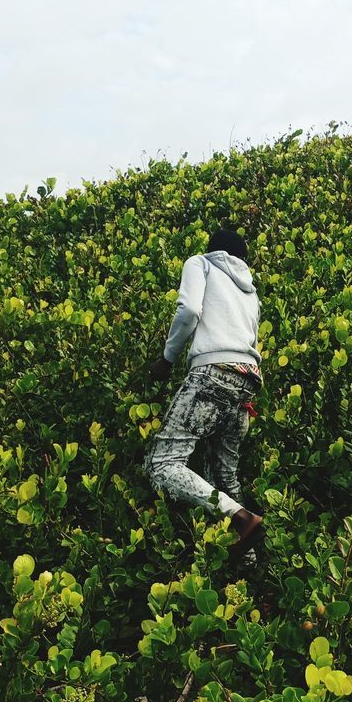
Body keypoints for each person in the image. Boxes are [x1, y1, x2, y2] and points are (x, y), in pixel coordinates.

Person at [144, 229, 264, 555]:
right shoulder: (251, 291)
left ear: (213, 250)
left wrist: (167, 359)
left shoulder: (201, 264)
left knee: (163, 464)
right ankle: (251, 565)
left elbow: (189, 311)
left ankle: (238, 517)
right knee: (225, 475)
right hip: (247, 382)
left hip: (213, 374)